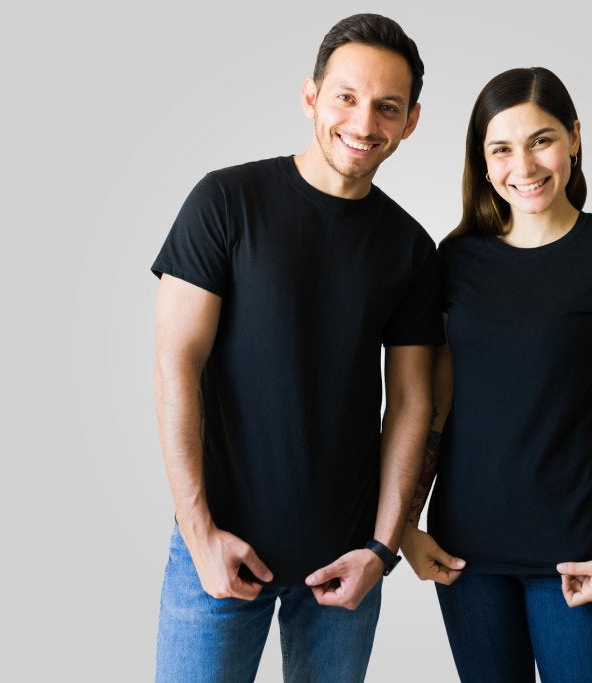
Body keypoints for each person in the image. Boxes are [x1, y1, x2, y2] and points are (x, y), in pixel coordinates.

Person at [150, 13, 442, 682]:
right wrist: (199, 536)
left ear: (410, 121)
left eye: (387, 107)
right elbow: (177, 365)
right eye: (346, 96)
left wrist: (381, 548)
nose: (365, 122)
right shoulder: (226, 201)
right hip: (218, 555)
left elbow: (410, 403)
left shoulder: (410, 249)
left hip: (343, 566)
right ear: (311, 96)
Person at [401, 66, 592, 682]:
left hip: (580, 550)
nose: (524, 164)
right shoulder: (454, 260)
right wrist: (406, 528)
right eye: (502, 148)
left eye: (541, 139)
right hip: (466, 554)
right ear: (484, 161)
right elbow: (435, 404)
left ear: (574, 137)